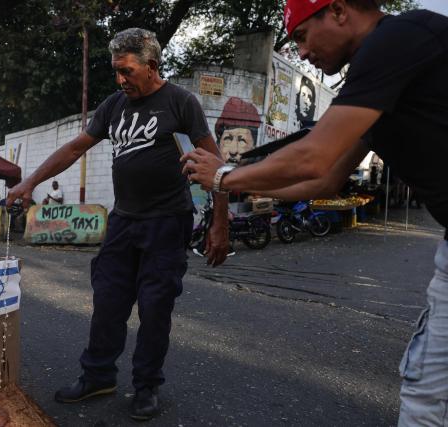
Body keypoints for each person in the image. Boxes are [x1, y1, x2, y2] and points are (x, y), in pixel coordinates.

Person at [182, 1, 448, 425]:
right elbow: (326, 178)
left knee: (428, 399)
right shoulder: (376, 78)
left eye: (302, 36)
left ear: (339, 11)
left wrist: (225, 175)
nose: (301, 53)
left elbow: (313, 156)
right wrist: (236, 182)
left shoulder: (399, 37)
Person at [7, 27, 229, 421]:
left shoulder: (181, 103)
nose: (120, 79)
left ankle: (146, 386)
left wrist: (219, 225)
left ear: (152, 66)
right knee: (108, 301)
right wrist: (30, 181)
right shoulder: (114, 105)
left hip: (166, 222)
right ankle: (98, 376)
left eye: (127, 71)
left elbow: (217, 166)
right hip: (124, 220)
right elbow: (76, 147)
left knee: (155, 307)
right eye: (116, 71)